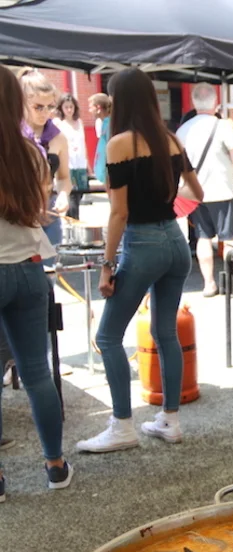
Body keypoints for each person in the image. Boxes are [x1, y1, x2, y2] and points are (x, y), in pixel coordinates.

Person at [76, 69, 202, 453]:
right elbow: (197, 192)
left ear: (119, 102)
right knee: (165, 333)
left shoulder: (119, 144)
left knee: (107, 337)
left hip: (142, 243)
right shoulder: (171, 139)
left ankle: (121, 426)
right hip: (175, 242)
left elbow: (119, 213)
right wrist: (167, 206)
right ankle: (170, 420)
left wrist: (106, 265)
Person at [0, 65, 72, 501]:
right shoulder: (31, 152)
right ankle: (55, 465)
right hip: (29, 269)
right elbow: (39, 209)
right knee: (37, 373)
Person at [177, 83, 233, 297]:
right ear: (215, 101)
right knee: (230, 238)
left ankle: (209, 284)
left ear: (194, 102)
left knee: (203, 238)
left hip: (195, 194)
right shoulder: (222, 126)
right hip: (222, 190)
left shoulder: (183, 129)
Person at [20, 71, 70, 249]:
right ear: (22, 103)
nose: (45, 113)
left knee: (52, 263)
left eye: (50, 107)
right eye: (38, 107)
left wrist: (63, 196)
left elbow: (64, 177)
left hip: (49, 210)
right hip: (19, 212)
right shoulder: (12, 136)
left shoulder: (58, 137)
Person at [54, 93, 89, 220]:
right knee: (71, 195)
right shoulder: (58, 124)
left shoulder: (79, 122)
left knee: (80, 193)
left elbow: (83, 143)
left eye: (71, 107)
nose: (69, 110)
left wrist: (88, 163)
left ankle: (73, 218)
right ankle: (73, 220)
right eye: (66, 107)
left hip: (80, 163)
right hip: (67, 164)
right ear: (61, 108)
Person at [89, 93, 111, 183]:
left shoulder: (109, 125)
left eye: (91, 107)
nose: (89, 110)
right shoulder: (103, 123)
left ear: (98, 108)